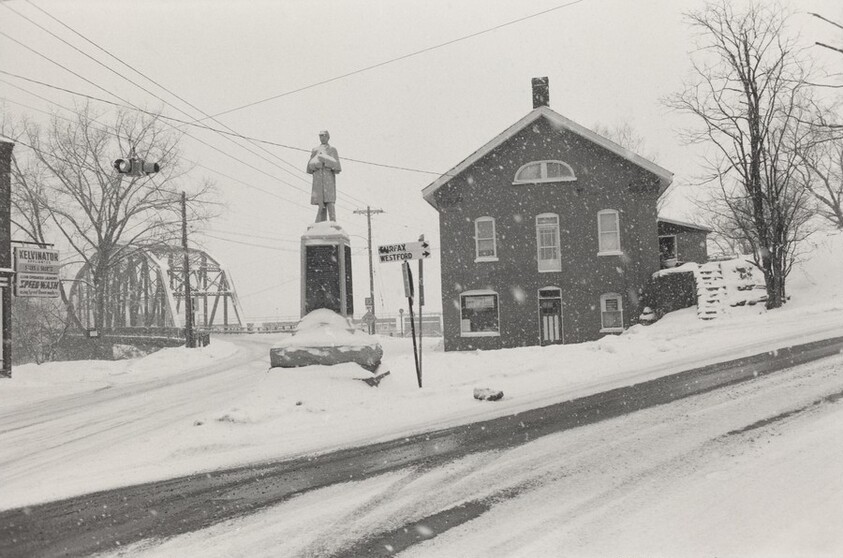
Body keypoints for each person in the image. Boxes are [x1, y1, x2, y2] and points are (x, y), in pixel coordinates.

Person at [306, 130, 342, 222]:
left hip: (328, 178)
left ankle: (333, 223)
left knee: (330, 202)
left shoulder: (332, 150)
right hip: (318, 179)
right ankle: (320, 224)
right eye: (320, 136)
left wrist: (325, 160)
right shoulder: (315, 150)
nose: (322, 138)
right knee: (321, 205)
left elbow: (337, 167)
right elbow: (309, 168)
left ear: (328, 137)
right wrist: (317, 163)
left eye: (324, 136)